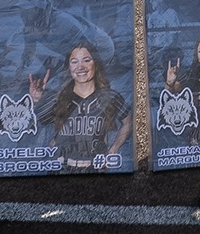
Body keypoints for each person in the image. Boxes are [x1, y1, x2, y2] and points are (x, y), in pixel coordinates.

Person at [32, 42, 131, 171]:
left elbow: (129, 122)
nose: (80, 67)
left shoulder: (110, 97)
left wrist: (113, 150)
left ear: (96, 64)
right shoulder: (58, 98)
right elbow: (39, 122)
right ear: (69, 67)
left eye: (86, 60)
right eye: (74, 62)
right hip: (61, 171)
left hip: (95, 171)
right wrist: (37, 100)